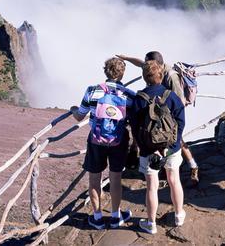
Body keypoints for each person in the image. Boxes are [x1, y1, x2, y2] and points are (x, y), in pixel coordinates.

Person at [117, 51, 200, 186]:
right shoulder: (156, 67)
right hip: (158, 111)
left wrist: (169, 120)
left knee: (177, 140)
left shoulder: (171, 77)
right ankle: (161, 163)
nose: (146, 65)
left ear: (157, 64)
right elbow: (141, 64)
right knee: (152, 134)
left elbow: (179, 101)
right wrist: (126, 58)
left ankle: (193, 167)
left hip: (169, 114)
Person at [70, 57, 134, 229]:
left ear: (105, 71)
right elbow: (132, 119)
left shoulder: (92, 91)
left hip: (96, 141)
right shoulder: (128, 95)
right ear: (122, 74)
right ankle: (115, 216)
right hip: (118, 141)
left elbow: (79, 116)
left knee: (94, 179)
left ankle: (97, 217)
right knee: (115, 179)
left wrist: (73, 109)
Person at [130, 60, 186, 235]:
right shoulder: (171, 97)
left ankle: (151, 223)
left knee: (151, 187)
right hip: (172, 147)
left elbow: (135, 127)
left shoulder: (139, 99)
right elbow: (181, 122)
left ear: (144, 78)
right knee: (174, 180)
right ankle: (178, 215)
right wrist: (172, 145)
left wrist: (146, 147)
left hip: (149, 150)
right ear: (161, 76)